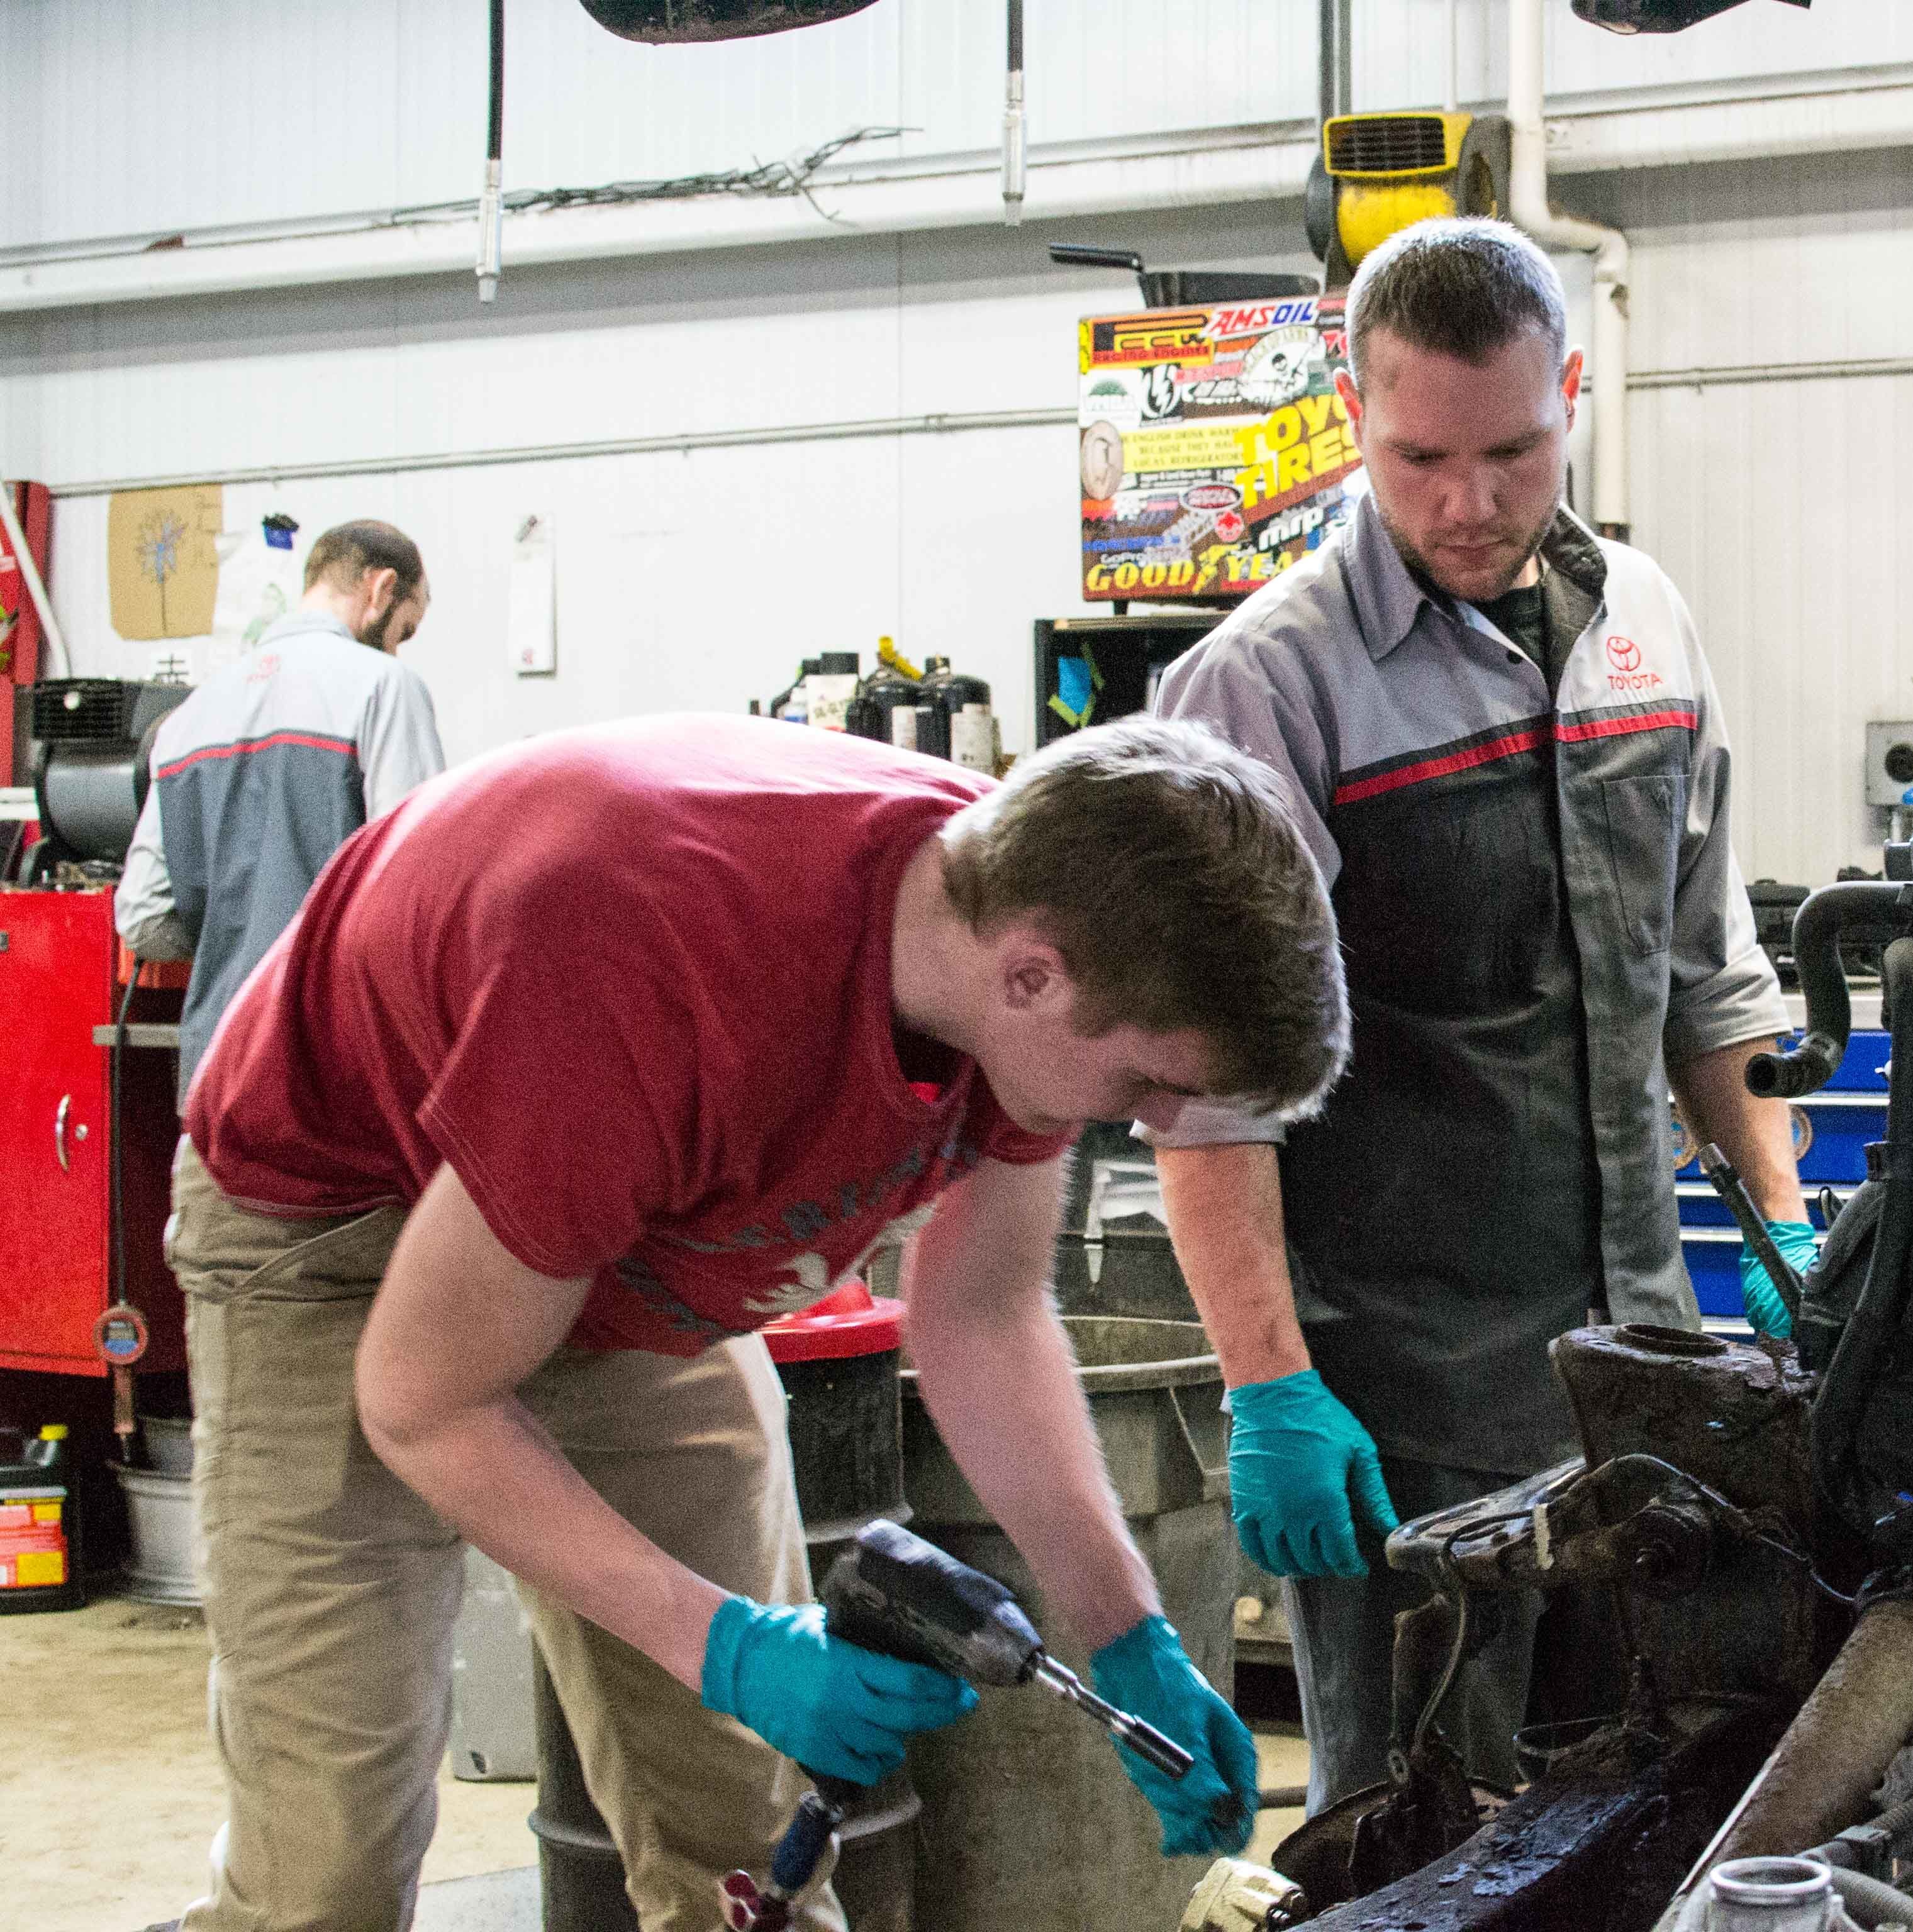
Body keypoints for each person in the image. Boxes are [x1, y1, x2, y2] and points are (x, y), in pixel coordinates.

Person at [155, 714, 1339, 1932]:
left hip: (615, 1233)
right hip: (335, 1228)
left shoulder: (1034, 933)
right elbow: (423, 1398)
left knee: (744, 1850)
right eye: (1147, 1088)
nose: (1141, 1119)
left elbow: (979, 1317)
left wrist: (1127, 1628)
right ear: (1030, 975)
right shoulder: (658, 968)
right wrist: (730, 1647)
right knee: (327, 1868)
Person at [1147, 215, 1820, 1809]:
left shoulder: (1642, 623)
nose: (1469, 502)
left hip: (1644, 1359)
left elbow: (1704, 966)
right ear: (1352, 416)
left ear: (1571, 393)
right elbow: (1208, 1087)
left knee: (1644, 1794)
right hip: (1404, 1403)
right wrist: (1269, 1385)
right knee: (1419, 1840)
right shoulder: (1265, 685)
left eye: (1513, 450)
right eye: (1419, 457)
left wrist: (1787, 1233)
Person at [116, 517, 445, 1103]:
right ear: (381, 589)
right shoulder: (384, 686)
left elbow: (140, 917)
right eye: (407, 628)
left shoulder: (187, 717)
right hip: (327, 1084)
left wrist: (239, 935)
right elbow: (414, 894)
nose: (398, 646)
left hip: (212, 1084)